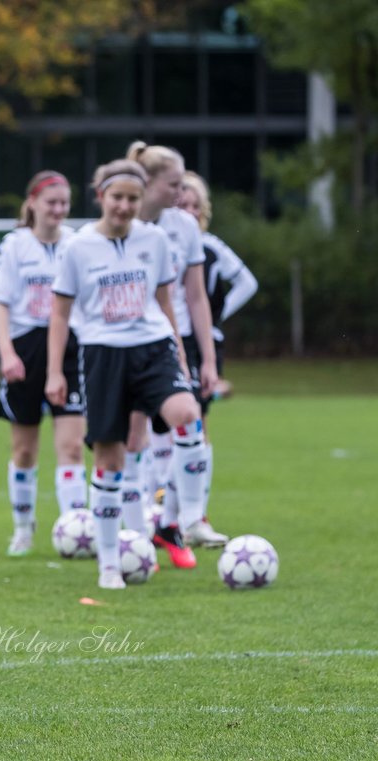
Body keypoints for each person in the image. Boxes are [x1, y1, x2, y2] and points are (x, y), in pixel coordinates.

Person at [46, 158, 208, 591]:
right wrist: (54, 373)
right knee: (110, 461)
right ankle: (109, 564)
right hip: (102, 354)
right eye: (117, 197)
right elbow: (59, 315)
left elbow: (166, 301)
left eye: (133, 199)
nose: (124, 206)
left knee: (187, 412)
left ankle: (190, 517)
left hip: (152, 348)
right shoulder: (77, 248)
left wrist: (179, 352)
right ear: (101, 197)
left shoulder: (155, 240)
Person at [125, 142, 225, 567]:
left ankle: (181, 519)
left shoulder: (183, 227)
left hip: (174, 341)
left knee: (187, 424)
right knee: (134, 441)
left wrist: (208, 359)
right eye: (175, 183)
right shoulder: (121, 225)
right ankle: (135, 537)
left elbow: (195, 296)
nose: (182, 191)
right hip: (125, 343)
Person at [0, 170, 86, 557]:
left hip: (71, 350)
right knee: (24, 450)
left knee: (72, 446)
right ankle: (23, 528)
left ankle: (77, 529)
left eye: (64, 203)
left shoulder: (77, 244)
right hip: (26, 351)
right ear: (33, 204)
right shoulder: (13, 246)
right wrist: (7, 354)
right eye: (51, 202)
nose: (59, 210)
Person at [178, 170, 258, 403]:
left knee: (194, 414)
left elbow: (248, 283)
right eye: (184, 205)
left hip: (201, 340)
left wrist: (215, 315)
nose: (191, 212)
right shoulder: (158, 242)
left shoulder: (211, 246)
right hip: (169, 338)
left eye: (196, 206)